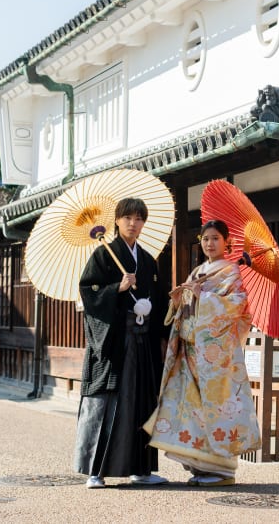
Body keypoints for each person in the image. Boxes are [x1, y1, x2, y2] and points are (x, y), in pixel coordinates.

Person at [145, 219, 261, 486]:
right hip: (190, 350)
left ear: (227, 241)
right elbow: (186, 306)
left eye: (215, 238)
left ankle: (222, 471)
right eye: (205, 238)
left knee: (216, 406)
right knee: (192, 406)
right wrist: (179, 301)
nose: (210, 243)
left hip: (216, 356)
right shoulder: (198, 270)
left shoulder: (232, 272)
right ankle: (201, 465)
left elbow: (238, 306)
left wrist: (204, 298)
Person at [74, 197, 170, 489]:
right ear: (116, 221)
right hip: (115, 341)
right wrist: (118, 287)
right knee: (107, 404)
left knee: (142, 401)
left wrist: (158, 306)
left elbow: (159, 296)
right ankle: (95, 471)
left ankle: (141, 469)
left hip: (143, 342)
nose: (133, 223)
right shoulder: (103, 255)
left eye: (139, 218)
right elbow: (88, 291)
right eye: (128, 218)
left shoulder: (149, 261)